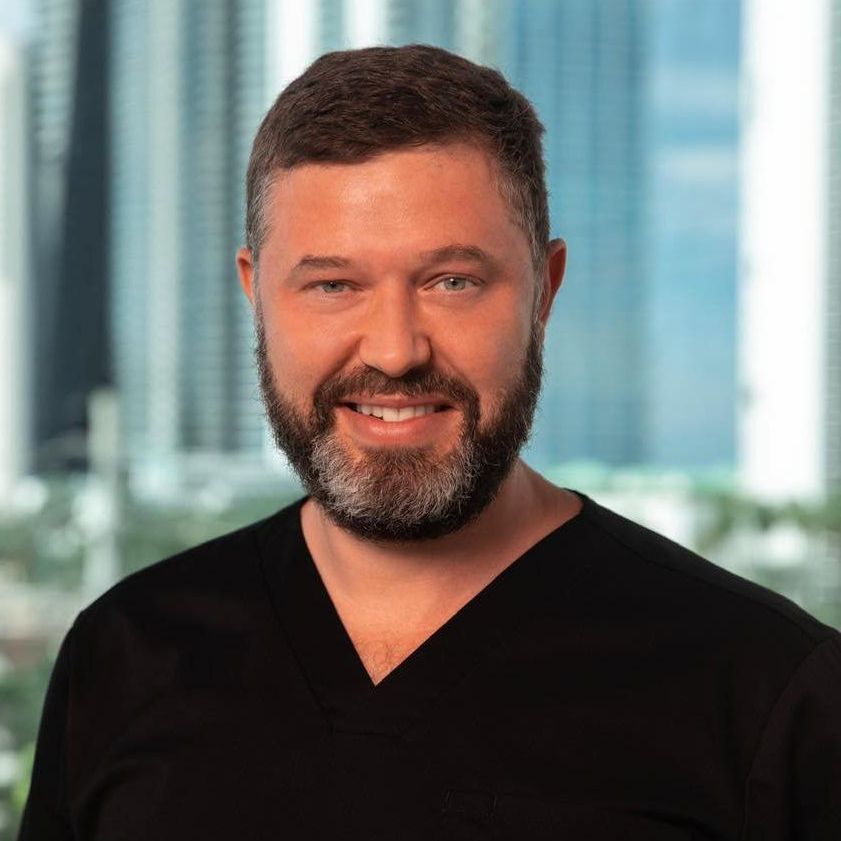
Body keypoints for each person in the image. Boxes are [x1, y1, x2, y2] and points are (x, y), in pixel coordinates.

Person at [19, 44, 841, 841]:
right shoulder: (123, 654)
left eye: (453, 281)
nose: (393, 350)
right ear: (256, 295)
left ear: (543, 292)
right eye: (333, 284)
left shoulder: (773, 692)